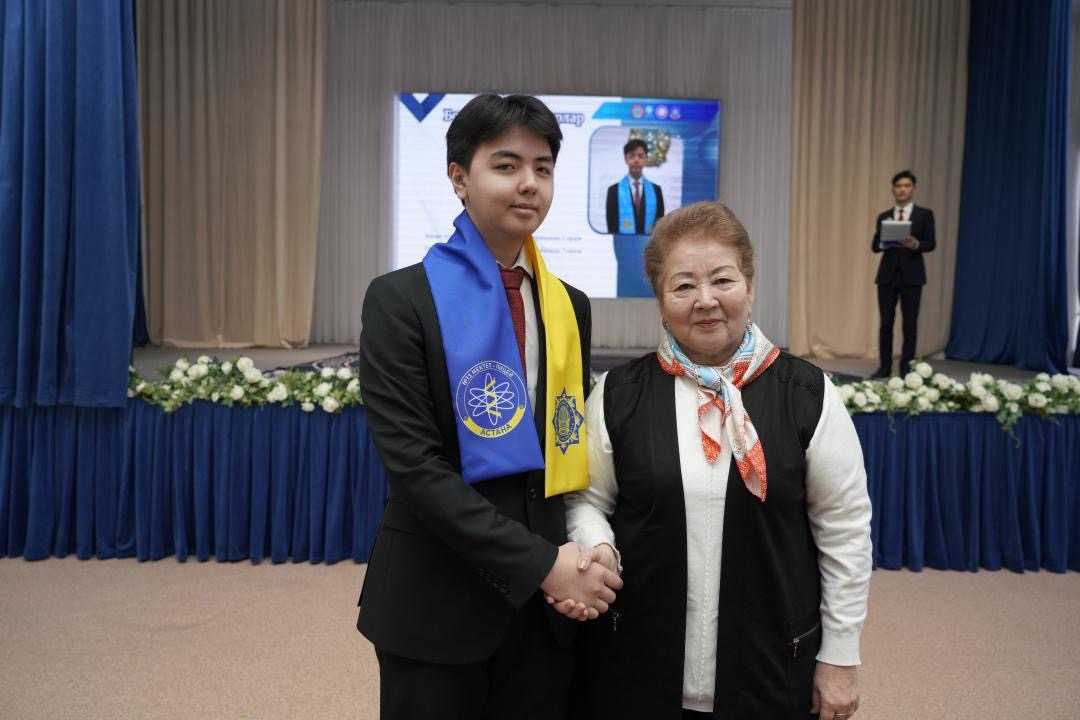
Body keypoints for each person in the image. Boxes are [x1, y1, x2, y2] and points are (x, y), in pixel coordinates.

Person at [356, 94, 623, 719]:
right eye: (506, 165)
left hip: (544, 615)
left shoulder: (569, 305)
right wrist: (542, 565)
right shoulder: (400, 300)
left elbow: (564, 447)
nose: (529, 183)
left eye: (543, 168)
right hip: (436, 601)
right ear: (459, 178)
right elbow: (416, 468)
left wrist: (585, 554)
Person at [562, 201, 872, 719]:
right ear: (661, 303)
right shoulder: (618, 394)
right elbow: (586, 499)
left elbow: (844, 530)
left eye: (722, 280)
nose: (705, 300)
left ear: (750, 286)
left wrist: (840, 655)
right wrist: (599, 546)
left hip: (771, 669)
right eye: (683, 286)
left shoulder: (807, 394)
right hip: (638, 668)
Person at [870, 170, 936, 378]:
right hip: (887, 276)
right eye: (898, 186)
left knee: (910, 325)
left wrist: (915, 244)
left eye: (907, 186)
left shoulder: (924, 215)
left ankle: (906, 369)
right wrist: (885, 241)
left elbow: (931, 243)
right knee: (886, 324)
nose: (902, 190)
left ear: (913, 189)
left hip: (912, 277)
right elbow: (874, 246)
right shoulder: (884, 216)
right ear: (893, 189)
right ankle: (884, 368)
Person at [605, 138, 666, 235]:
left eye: (640, 156)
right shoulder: (613, 191)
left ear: (646, 159)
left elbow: (660, 225)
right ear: (626, 159)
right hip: (622, 243)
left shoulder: (656, 190)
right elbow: (611, 227)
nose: (636, 160)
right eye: (632, 156)